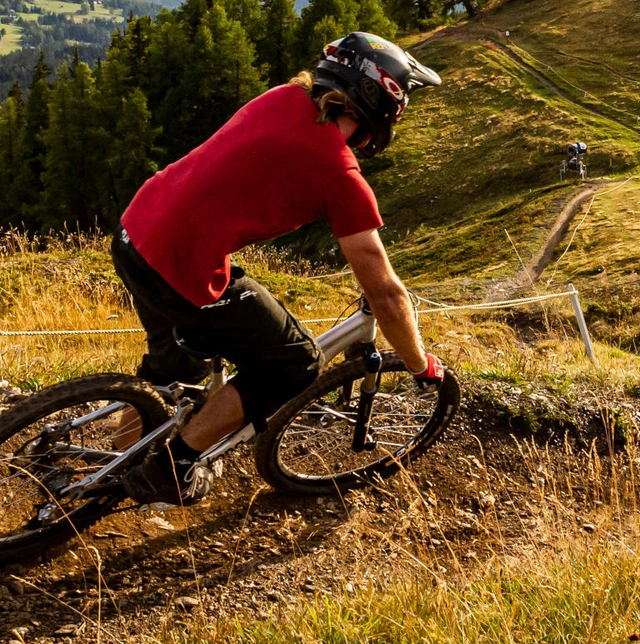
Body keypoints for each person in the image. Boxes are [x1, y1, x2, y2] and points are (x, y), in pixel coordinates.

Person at [111, 32, 445, 505]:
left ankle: (110, 470)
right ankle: (173, 467)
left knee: (173, 371)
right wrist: (418, 364)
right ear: (381, 105)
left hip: (135, 232)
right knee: (295, 361)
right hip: (180, 268)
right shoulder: (339, 174)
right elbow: (387, 296)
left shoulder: (282, 96)